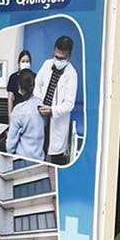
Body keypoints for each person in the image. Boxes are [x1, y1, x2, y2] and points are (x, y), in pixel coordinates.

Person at [34, 36, 78, 165]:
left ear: (69, 56)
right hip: (41, 113)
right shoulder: (47, 64)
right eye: (56, 56)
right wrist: (39, 103)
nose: (58, 60)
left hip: (56, 119)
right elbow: (37, 84)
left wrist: (52, 110)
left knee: (56, 158)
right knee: (39, 151)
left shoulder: (72, 74)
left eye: (61, 58)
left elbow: (69, 104)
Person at [4, 69, 44, 159]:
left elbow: (9, 148)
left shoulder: (18, 110)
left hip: (22, 159)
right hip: (40, 158)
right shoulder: (41, 104)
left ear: (19, 87)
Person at [5, 50, 33, 117]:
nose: (25, 63)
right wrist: (10, 117)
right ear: (18, 63)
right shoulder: (13, 77)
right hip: (17, 111)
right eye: (23, 61)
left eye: (27, 61)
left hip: (30, 112)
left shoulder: (34, 76)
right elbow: (10, 99)